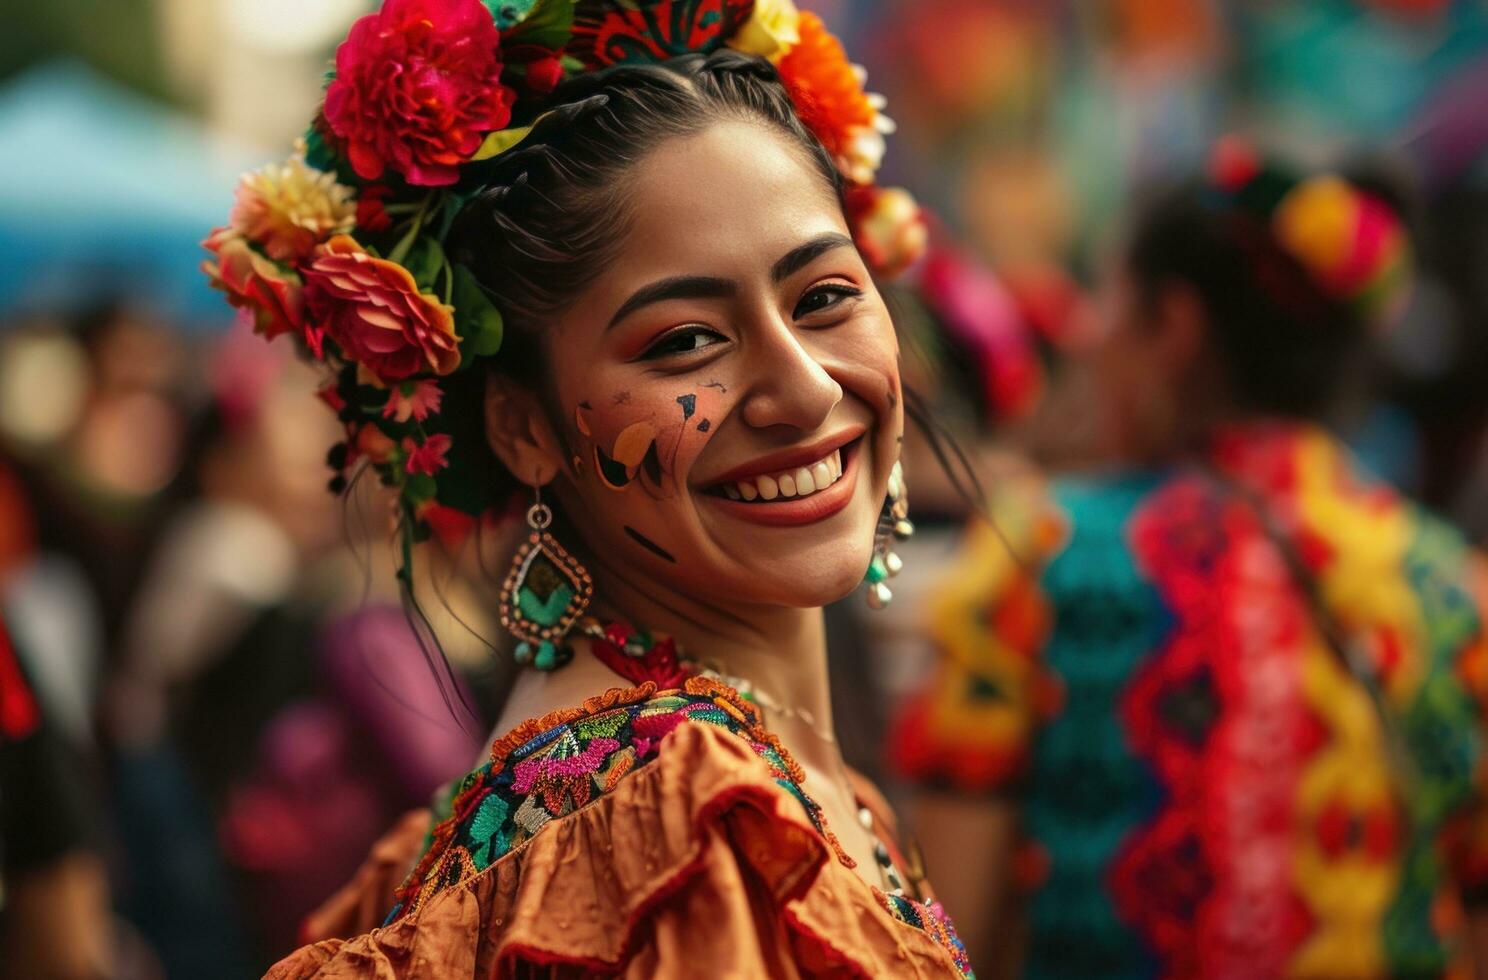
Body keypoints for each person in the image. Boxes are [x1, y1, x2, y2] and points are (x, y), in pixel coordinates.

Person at [201, 1, 968, 976]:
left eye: (823, 297)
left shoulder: (725, 773)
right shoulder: (680, 824)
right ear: (524, 424)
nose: (806, 388)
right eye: (686, 339)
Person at [890, 139, 1488, 978]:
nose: (1092, 348)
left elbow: (941, 946)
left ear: (1172, 325)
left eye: (1112, 306)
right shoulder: (1452, 595)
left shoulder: (1039, 562)